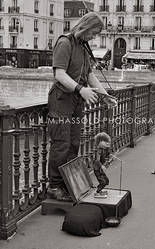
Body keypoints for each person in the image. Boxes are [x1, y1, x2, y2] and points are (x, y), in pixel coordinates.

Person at [46, 12, 117, 201]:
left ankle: (67, 184)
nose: (94, 37)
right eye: (93, 33)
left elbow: (90, 75)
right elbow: (59, 74)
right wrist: (81, 89)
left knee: (74, 143)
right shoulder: (65, 43)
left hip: (75, 102)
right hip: (61, 100)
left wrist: (104, 96)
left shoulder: (83, 46)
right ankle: (54, 187)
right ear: (85, 27)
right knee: (61, 144)